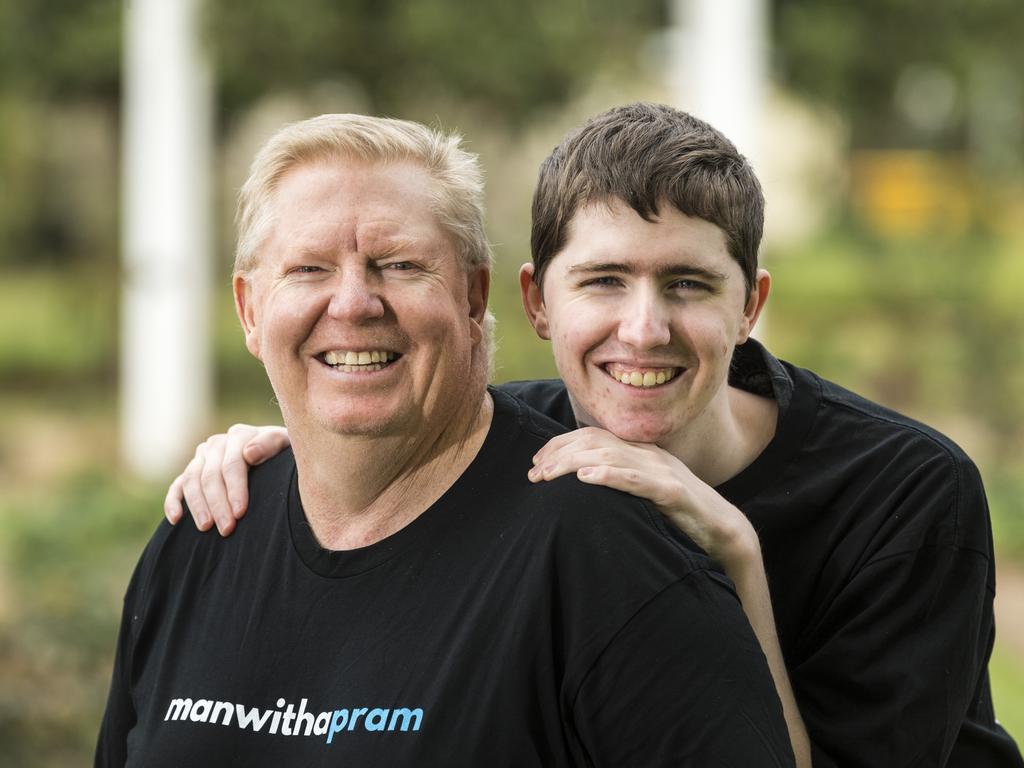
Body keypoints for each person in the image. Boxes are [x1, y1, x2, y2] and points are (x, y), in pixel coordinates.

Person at [168, 103, 1024, 768]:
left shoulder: (905, 492)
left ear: (751, 305)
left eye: (687, 284)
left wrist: (737, 554)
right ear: (538, 302)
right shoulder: (523, 438)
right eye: (604, 281)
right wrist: (288, 445)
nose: (643, 329)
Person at [97, 113, 795, 766]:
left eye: (399, 265)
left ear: (471, 298)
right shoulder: (203, 534)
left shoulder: (607, 558)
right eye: (309, 269)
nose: (352, 303)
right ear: (250, 310)